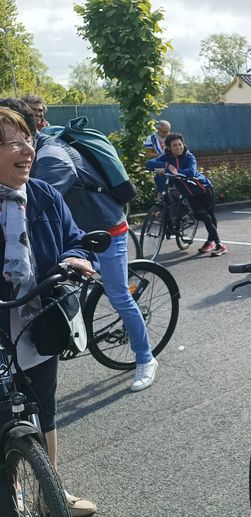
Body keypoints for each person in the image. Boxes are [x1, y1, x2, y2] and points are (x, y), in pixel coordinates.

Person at [10, 97, 162, 394]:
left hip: (106, 228)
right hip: (79, 229)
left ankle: (146, 358)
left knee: (118, 294)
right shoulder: (38, 148)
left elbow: (33, 202)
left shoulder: (52, 157)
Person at [0, 107, 98, 516]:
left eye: (28, 139)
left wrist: (75, 258)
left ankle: (50, 493)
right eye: (12, 142)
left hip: (38, 322)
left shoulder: (44, 195)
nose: (27, 149)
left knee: (45, 408)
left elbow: (75, 239)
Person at [146, 133, 227, 256]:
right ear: (169, 148)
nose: (178, 147)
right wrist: (167, 166)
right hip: (189, 194)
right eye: (175, 145)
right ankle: (213, 242)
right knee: (201, 215)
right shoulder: (167, 157)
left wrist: (176, 171)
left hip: (203, 189)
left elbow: (191, 172)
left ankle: (217, 244)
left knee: (208, 215)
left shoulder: (189, 157)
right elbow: (150, 163)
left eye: (180, 144)